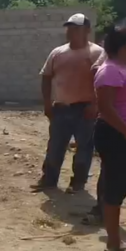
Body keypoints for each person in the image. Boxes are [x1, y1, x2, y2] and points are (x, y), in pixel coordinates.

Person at [32, 13, 103, 193]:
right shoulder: (58, 53)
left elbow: (103, 81)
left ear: (87, 30)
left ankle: (77, 183)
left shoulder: (97, 53)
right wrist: (47, 103)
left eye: (76, 29)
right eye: (69, 29)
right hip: (61, 108)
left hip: (85, 109)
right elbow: (46, 77)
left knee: (84, 148)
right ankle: (49, 179)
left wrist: (95, 104)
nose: (71, 32)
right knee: (55, 145)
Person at [93, 26, 126, 251]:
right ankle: (114, 241)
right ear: (125, 47)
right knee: (116, 188)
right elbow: (105, 107)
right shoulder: (110, 70)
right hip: (118, 136)